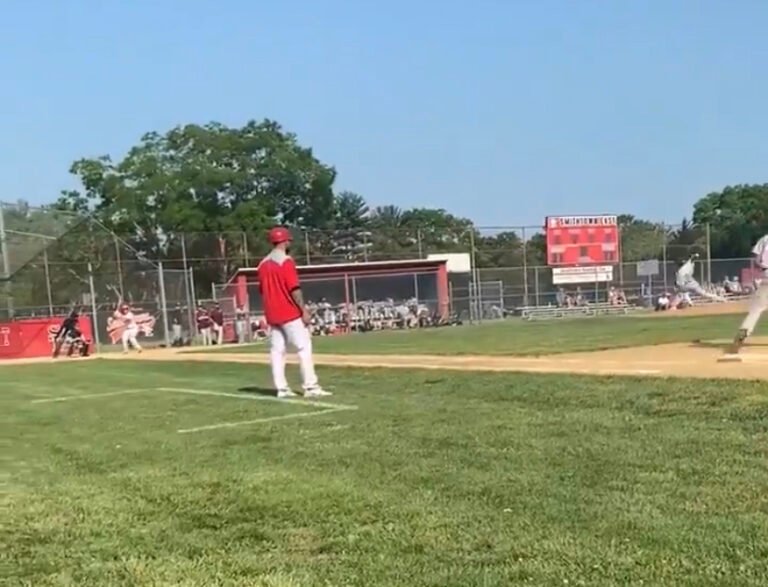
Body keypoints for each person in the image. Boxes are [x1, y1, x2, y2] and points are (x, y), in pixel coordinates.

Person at [257, 226, 330, 398]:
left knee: (277, 352)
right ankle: (311, 387)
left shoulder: (262, 265)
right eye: (289, 240)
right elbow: (294, 289)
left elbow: (262, 290)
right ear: (284, 241)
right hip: (288, 312)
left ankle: (281, 389)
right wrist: (303, 310)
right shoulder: (286, 261)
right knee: (303, 348)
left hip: (272, 314)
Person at [729, 234, 768, 354]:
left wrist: (764, 267)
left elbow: (756, 260)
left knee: (757, 308)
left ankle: (745, 330)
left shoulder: (765, 238)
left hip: (767, 275)